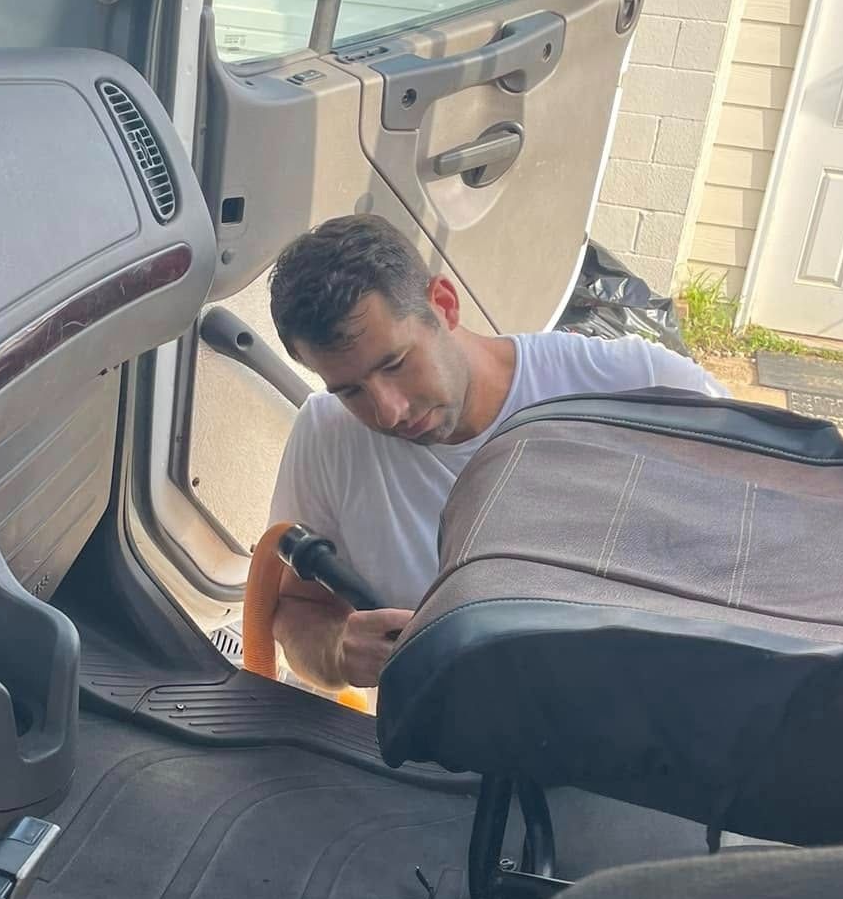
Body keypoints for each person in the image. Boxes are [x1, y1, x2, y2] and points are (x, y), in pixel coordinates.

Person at [267, 214, 724, 689]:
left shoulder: (634, 384)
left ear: (443, 304)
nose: (388, 411)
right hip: (445, 747)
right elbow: (295, 611)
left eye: (397, 364)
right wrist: (339, 649)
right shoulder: (326, 434)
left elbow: (773, 514)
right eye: (350, 391)